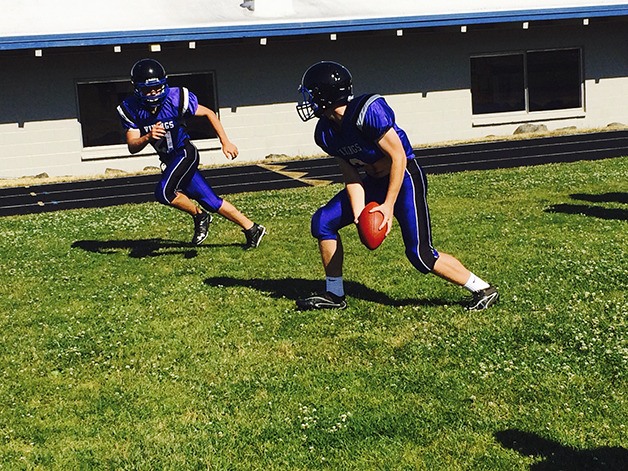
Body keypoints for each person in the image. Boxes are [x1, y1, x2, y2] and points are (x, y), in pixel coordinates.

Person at [295, 61, 498, 311]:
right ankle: (335, 294)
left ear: (325, 94)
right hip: (372, 182)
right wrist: (360, 215)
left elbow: (398, 156)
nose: (308, 101)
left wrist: (387, 206)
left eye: (312, 94)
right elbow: (351, 177)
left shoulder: (367, 112)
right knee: (323, 221)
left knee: (420, 255)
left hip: (403, 178)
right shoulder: (325, 132)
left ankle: (482, 288)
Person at [117, 58, 266, 249]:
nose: (153, 93)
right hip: (169, 159)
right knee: (211, 201)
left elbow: (209, 113)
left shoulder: (176, 98)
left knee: (164, 192)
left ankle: (200, 216)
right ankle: (252, 228)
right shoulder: (131, 108)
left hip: (185, 152)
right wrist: (147, 136)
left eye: (157, 88)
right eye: (147, 89)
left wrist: (225, 142)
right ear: (137, 89)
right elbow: (132, 146)